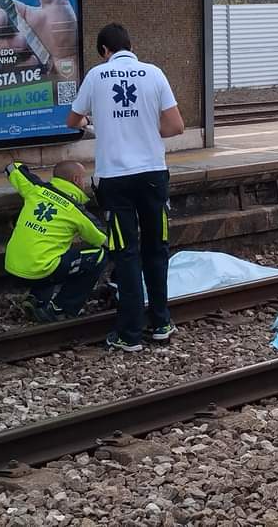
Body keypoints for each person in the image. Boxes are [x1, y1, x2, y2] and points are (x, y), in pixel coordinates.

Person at [66, 23, 185, 352]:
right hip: (152, 175)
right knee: (156, 250)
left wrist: (96, 124)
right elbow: (176, 125)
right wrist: (143, 127)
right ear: (129, 46)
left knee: (127, 253)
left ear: (104, 51)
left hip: (115, 179)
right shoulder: (154, 73)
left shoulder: (95, 76)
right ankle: (161, 322)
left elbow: (72, 121)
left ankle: (130, 334)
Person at [4, 160, 107, 322]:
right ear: (76, 180)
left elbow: (12, 168)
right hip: (40, 270)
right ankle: (61, 308)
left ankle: (37, 299)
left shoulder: (35, 189)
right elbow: (104, 241)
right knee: (98, 256)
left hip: (12, 266)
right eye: (83, 178)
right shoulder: (76, 212)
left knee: (53, 252)